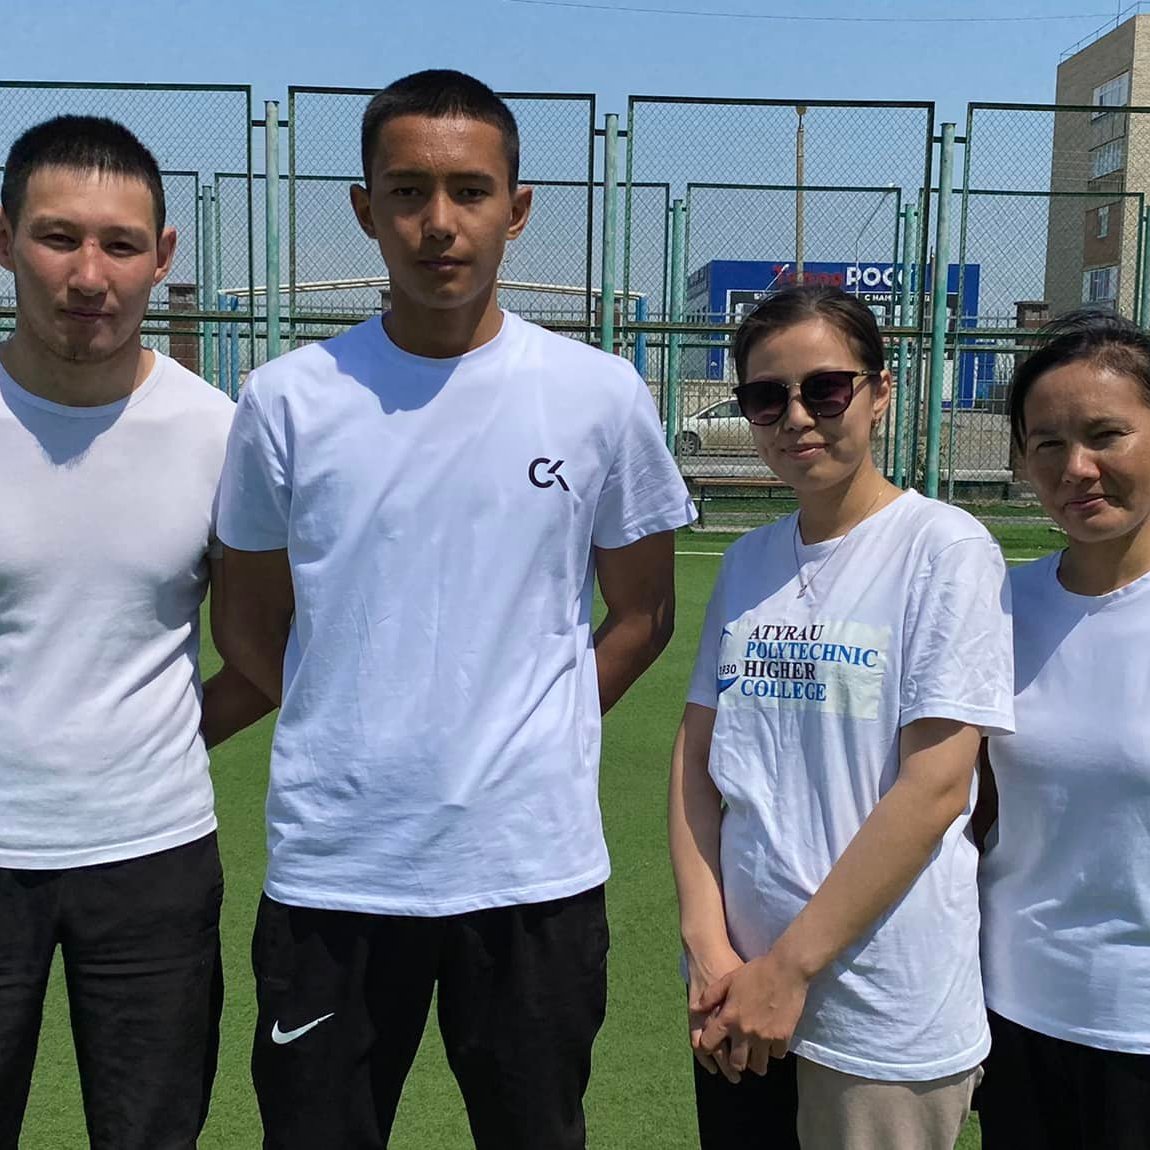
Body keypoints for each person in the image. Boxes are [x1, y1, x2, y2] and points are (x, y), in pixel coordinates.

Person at [216, 69, 695, 1149]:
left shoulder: (599, 394)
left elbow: (643, 612)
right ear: (365, 208)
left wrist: (541, 726)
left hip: (529, 869)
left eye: (470, 191)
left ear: (515, 210)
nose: (439, 222)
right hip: (336, 872)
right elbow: (244, 624)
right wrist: (352, 724)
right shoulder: (287, 399)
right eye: (408, 191)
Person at [669, 284, 1014, 1150]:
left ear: (881, 391)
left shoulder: (945, 548)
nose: (797, 417)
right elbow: (698, 762)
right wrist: (708, 947)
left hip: (878, 1013)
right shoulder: (748, 561)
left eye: (826, 389)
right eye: (766, 397)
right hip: (737, 996)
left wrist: (788, 971)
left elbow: (936, 788)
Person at [0, 115, 271, 1150]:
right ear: (5, 240)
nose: (88, 275)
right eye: (57, 237)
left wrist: (153, 738)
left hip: (152, 853)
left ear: (161, 257)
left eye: (119, 244)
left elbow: (264, 652)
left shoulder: (220, 434)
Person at [976, 310, 1150, 1149]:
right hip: (1015, 1014)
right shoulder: (994, 607)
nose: (1077, 468)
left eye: (1106, 435)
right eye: (1047, 443)